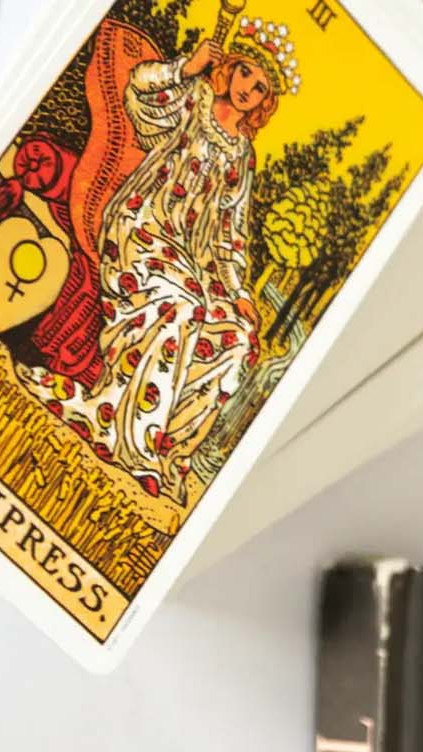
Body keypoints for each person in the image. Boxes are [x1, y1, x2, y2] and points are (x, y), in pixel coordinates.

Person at [29, 20, 297, 503]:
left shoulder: (242, 154)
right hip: (141, 229)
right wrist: (186, 68)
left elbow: (229, 234)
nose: (248, 89)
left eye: (260, 88)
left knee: (236, 338)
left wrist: (239, 294)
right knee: (182, 307)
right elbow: (139, 93)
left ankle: (167, 449)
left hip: (194, 262)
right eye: (246, 73)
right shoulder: (192, 99)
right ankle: (131, 441)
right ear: (231, 67)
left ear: (265, 101)